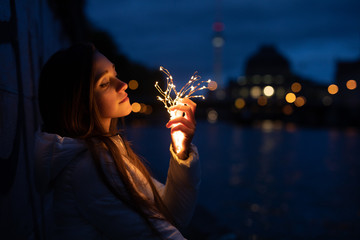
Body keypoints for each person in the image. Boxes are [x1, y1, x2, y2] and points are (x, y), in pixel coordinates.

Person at [34, 43, 200, 239]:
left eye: (115, 73)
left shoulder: (111, 151)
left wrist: (181, 151)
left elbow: (171, 215)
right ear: (81, 104)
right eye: (104, 83)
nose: (123, 84)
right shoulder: (90, 167)